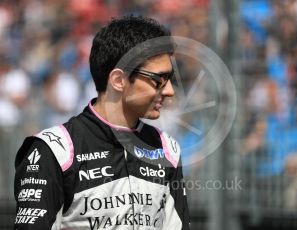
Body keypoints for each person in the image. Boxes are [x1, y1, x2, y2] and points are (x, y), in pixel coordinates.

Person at [13, 16, 190, 230]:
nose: (170, 91)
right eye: (159, 80)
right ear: (118, 80)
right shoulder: (54, 149)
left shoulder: (167, 148)